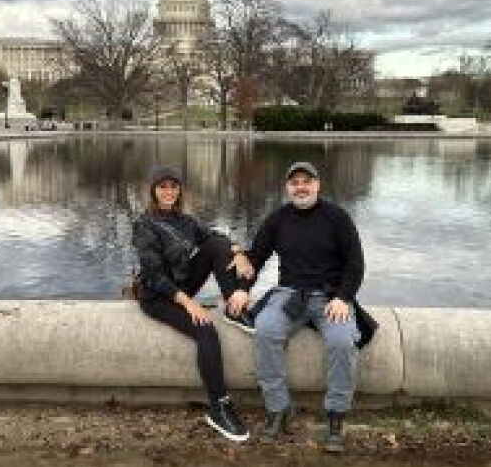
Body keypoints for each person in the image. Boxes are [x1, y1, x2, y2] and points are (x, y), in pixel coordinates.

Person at [227, 161, 377, 453]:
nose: (301, 187)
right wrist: (243, 291)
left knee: (343, 341)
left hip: (330, 296)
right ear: (287, 188)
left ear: (318, 185)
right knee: (266, 331)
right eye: (295, 182)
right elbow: (255, 259)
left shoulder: (338, 217)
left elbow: (355, 264)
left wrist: (343, 298)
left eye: (306, 181)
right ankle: (278, 409)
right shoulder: (277, 219)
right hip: (289, 294)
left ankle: (335, 416)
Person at [131, 165, 254, 442]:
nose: (168, 191)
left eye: (173, 186)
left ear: (179, 190)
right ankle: (219, 407)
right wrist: (189, 304)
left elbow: (214, 237)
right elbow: (154, 275)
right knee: (206, 330)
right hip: (157, 295)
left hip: (183, 284)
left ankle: (234, 307)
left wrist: (238, 252)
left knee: (216, 246)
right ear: (153, 190)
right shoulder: (144, 225)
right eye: (162, 186)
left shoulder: (184, 220)